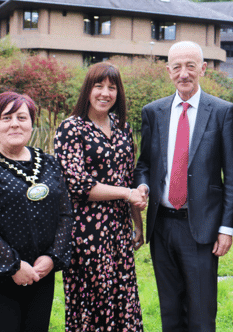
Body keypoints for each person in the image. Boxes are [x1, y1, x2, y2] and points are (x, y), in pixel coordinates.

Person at [134, 41, 233, 332]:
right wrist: (142, 186)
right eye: (177, 67)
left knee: (202, 312)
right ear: (168, 71)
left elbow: (232, 175)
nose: (184, 73)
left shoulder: (221, 112)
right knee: (170, 309)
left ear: (203, 69)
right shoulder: (153, 113)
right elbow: (144, 164)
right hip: (162, 226)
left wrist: (226, 228)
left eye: (190, 66)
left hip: (202, 228)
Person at [0, 91, 74, 332]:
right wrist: (14, 266)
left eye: (21, 117)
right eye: (6, 118)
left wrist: (52, 258)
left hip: (38, 275)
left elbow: (65, 214)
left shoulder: (48, 162)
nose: (15, 123)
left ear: (32, 124)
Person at [54, 62, 147, 331]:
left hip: (119, 229)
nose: (105, 93)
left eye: (112, 87)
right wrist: (127, 193)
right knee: (93, 301)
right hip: (87, 231)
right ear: (88, 90)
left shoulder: (123, 128)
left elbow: (128, 177)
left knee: (122, 297)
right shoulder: (71, 128)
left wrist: (137, 224)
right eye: (99, 86)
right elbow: (77, 184)